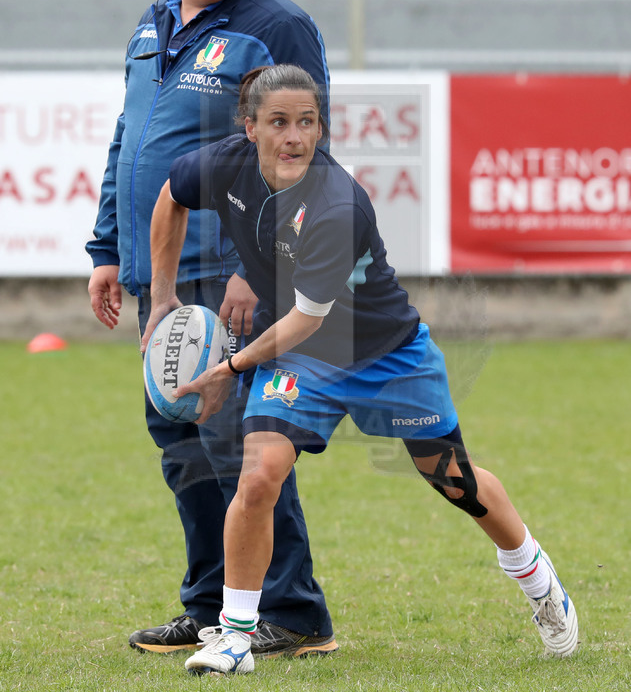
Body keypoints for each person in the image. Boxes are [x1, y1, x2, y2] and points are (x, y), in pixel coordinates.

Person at [144, 64, 579, 676]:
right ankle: (236, 636)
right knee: (261, 471)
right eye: (278, 122)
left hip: (383, 351)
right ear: (248, 128)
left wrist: (230, 368)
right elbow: (170, 196)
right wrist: (163, 297)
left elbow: (306, 319)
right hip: (301, 358)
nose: (295, 136)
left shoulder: (337, 202)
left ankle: (539, 582)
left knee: (454, 481)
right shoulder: (219, 164)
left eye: (307, 122)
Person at [85, 0, 337, 657]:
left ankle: (291, 614)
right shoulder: (152, 23)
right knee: (180, 441)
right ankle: (208, 602)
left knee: (244, 445)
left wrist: (254, 268)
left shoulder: (276, 27)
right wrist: (106, 250)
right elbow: (130, 141)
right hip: (156, 276)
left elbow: (301, 159)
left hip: (233, 282)